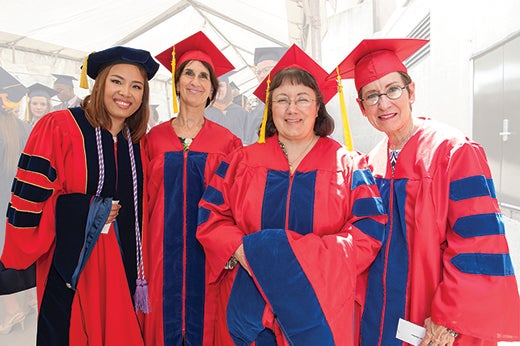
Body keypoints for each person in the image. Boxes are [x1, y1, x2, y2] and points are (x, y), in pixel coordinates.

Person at [331, 38, 520, 345]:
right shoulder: (370, 162)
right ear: (362, 108)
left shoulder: (453, 151)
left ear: (411, 91)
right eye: (371, 95)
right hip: (381, 318)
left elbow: (477, 242)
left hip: (435, 320)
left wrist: (451, 316)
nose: (384, 103)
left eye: (392, 89)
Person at [196, 44, 386, 346]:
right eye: (282, 100)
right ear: (271, 108)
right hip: (250, 306)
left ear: (318, 107)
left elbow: (368, 232)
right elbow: (210, 217)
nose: (292, 109)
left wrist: (295, 257)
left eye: (302, 99)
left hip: (320, 305)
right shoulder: (241, 161)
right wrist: (246, 253)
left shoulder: (348, 164)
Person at [0, 46, 160, 345]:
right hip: (73, 267)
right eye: (117, 81)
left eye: (136, 86)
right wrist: (89, 209)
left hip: (124, 268)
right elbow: (30, 197)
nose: (125, 92)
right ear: (99, 85)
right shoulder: (59, 126)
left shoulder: (137, 143)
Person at [142, 31, 242, 346]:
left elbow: (236, 204)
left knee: (209, 323)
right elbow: (143, 199)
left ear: (212, 88)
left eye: (203, 76)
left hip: (210, 256)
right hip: (159, 252)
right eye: (188, 73)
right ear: (178, 82)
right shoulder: (153, 139)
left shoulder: (228, 143)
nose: (195, 81)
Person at [0, 67, 36, 335]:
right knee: (17, 251)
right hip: (17, 201)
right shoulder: (22, 127)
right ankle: (32, 300)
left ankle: (13, 310)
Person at [242, 46, 287, 145]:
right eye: (258, 72)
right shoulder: (260, 105)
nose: (262, 75)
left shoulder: (290, 102)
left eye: (266, 69)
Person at [205, 72, 248, 140]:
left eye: (221, 86)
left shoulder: (241, 112)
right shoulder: (205, 114)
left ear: (227, 88)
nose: (218, 90)